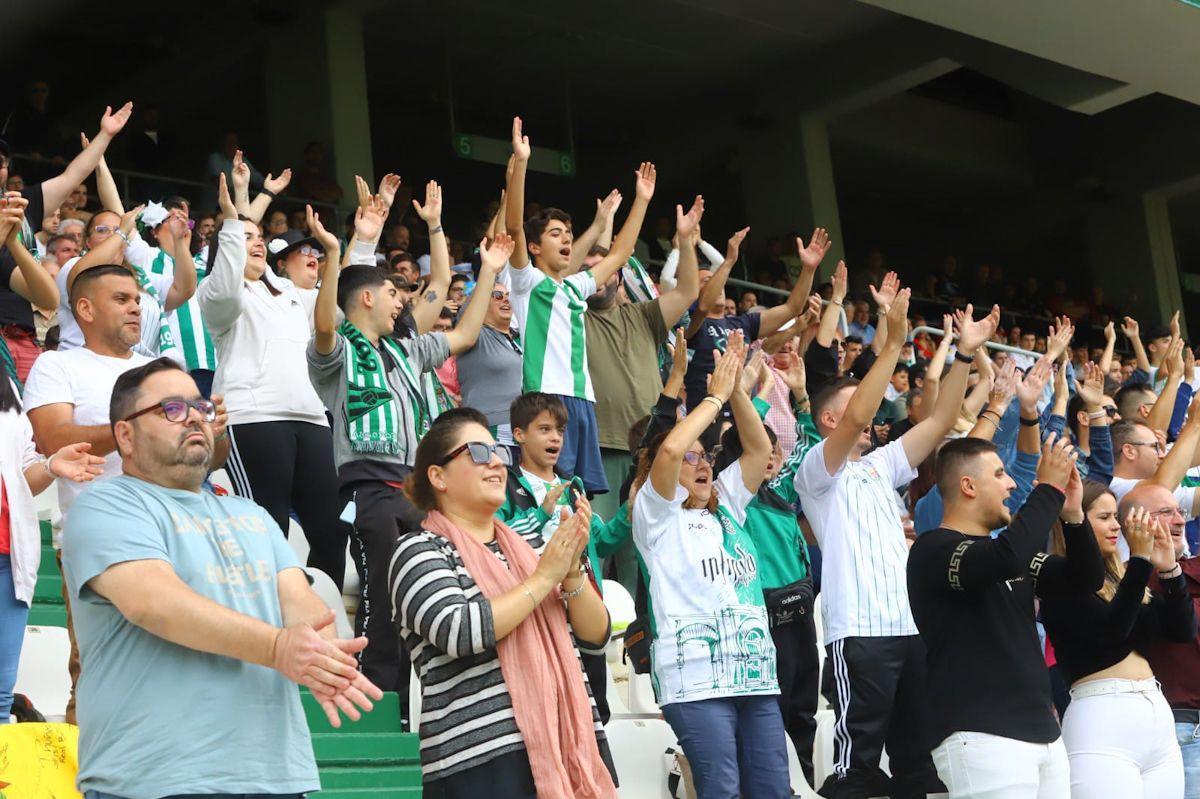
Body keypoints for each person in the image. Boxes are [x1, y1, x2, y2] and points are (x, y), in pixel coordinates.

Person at [62, 358, 381, 799]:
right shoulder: (106, 506)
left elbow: (298, 603)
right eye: (171, 408)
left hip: (274, 775)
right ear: (125, 435)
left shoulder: (250, 514)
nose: (194, 416)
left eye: (199, 406)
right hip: (155, 778)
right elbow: (154, 603)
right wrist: (277, 647)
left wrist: (325, 652)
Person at [307, 186, 512, 698]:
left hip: (419, 490)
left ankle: (431, 688)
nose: (403, 301)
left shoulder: (406, 351)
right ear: (369, 298)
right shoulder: (334, 355)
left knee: (435, 583)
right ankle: (379, 690)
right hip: (370, 488)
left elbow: (463, 336)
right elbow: (326, 322)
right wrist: (338, 252)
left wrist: (487, 270)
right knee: (382, 584)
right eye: (394, 293)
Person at [795, 292, 999, 799]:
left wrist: (965, 356)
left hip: (909, 629)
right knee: (856, 768)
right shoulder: (817, 470)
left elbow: (939, 422)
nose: (866, 414)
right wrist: (892, 344)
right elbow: (858, 412)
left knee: (919, 766)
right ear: (829, 421)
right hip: (859, 635)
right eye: (853, 407)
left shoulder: (880, 466)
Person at [388, 407, 617, 797]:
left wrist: (572, 572)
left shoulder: (528, 549)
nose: (495, 462)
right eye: (477, 452)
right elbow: (459, 630)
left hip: (569, 750)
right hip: (482, 766)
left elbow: (596, 636)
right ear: (438, 476)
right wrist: (545, 577)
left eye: (498, 452)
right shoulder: (417, 550)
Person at [631, 330, 790, 797]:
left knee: (774, 790)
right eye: (694, 458)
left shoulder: (730, 506)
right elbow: (670, 449)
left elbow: (759, 452)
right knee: (721, 790)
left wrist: (737, 389)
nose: (703, 464)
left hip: (756, 675)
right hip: (695, 681)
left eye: (709, 456)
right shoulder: (655, 515)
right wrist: (713, 398)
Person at [907, 435, 1105, 798]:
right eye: (999, 474)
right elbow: (1006, 559)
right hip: (981, 736)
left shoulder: (1004, 554)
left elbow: (1085, 579)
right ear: (968, 486)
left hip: (1044, 735)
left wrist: (1074, 517)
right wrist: (1047, 488)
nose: (1012, 482)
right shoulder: (931, 550)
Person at [197, 175, 348, 589]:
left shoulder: (288, 291)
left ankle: (319, 620)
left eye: (259, 235)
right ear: (226, 245)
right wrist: (231, 222)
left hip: (312, 420)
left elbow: (334, 314)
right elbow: (227, 285)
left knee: (331, 532)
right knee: (268, 531)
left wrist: (353, 247)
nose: (257, 241)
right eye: (245, 237)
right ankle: (268, 630)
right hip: (253, 420)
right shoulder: (215, 294)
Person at [504, 117, 655, 494]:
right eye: (556, 234)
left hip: (585, 401)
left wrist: (642, 200)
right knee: (549, 492)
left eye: (569, 235)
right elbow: (514, 229)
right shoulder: (528, 282)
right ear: (536, 248)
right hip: (547, 396)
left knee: (579, 497)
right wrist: (521, 162)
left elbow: (620, 253)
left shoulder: (576, 287)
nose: (566, 239)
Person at [1041, 482, 1197, 798]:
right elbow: (1113, 634)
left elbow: (1181, 631)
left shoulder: (1124, 577)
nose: (1117, 526)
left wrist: (1169, 571)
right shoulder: (1058, 579)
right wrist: (1140, 561)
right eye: (1104, 517)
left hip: (1154, 713)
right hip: (1102, 719)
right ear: (1075, 523)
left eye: (1116, 516)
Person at [719, 349, 823, 789]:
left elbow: (815, 451)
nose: (774, 456)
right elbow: (744, 444)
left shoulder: (780, 489)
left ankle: (806, 781)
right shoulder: (731, 497)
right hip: (762, 618)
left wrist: (800, 396)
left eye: (777, 449)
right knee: (769, 714)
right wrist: (752, 395)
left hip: (800, 615)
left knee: (803, 711)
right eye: (764, 450)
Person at [584, 196, 702, 524]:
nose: (596, 277)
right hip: (603, 446)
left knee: (653, 542)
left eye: (604, 271)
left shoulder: (644, 314)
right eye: (588, 272)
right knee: (604, 538)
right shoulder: (572, 317)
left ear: (619, 279)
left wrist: (685, 243)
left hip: (654, 445)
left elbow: (689, 291)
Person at [0, 367, 103, 722]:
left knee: (0, 696)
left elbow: (21, 473)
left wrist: (51, 465)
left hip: (8, 559)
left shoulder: (5, 384)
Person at [0, 104, 131, 380]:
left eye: (1, 163)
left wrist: (105, 135)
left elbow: (71, 177)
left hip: (23, 337)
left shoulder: (21, 204)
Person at [1140, 484, 1200, 799]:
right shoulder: (1124, 584)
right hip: (1179, 727)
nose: (1178, 520)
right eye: (1165, 512)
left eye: (1180, 512)